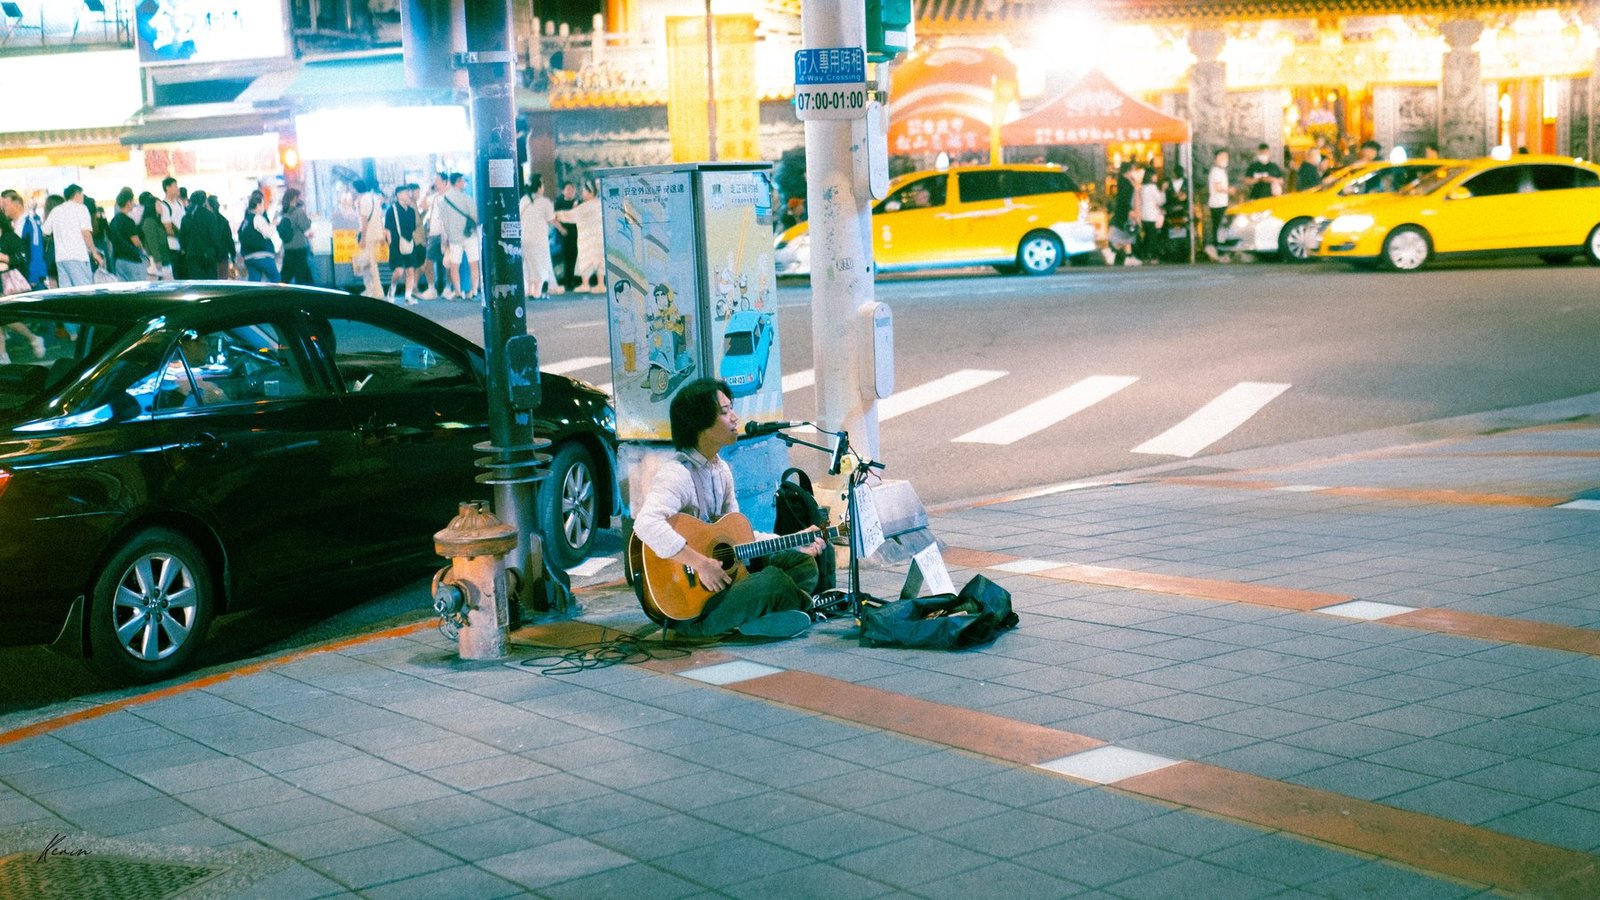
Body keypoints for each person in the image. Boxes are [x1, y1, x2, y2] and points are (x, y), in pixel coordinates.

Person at [632, 378, 824, 639]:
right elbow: (646, 523)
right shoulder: (677, 474)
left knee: (802, 563)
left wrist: (791, 542)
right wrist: (701, 564)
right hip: (694, 608)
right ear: (700, 423)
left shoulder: (720, 470)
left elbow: (738, 537)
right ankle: (783, 607)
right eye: (724, 412)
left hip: (724, 586)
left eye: (731, 409)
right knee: (772, 581)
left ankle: (761, 614)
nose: (734, 418)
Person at [42, 184, 101, 288]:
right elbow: (86, 234)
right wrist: (94, 253)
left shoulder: (56, 210)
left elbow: (45, 231)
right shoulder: (81, 209)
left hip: (61, 259)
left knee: (67, 293)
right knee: (84, 291)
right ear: (77, 194)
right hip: (78, 256)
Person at [437, 172, 481, 300]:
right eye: (462, 181)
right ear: (457, 182)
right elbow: (475, 217)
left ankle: (458, 291)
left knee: (454, 266)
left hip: (454, 238)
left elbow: (443, 222)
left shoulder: (444, 200)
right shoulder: (467, 198)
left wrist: (447, 239)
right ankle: (473, 291)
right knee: (473, 264)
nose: (464, 183)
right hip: (470, 236)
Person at [556, 181, 602, 291]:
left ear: (590, 192)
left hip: (587, 239)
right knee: (599, 260)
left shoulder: (585, 206)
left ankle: (586, 284)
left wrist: (557, 215)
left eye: (584, 191)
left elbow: (571, 215)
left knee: (585, 260)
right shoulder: (599, 203)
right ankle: (601, 284)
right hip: (598, 239)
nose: (582, 193)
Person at [519, 174, 558, 299]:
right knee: (541, 264)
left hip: (524, 238)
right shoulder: (545, 202)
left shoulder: (523, 200)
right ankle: (537, 292)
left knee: (529, 264)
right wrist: (562, 229)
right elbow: (552, 220)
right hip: (539, 239)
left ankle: (530, 290)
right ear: (539, 186)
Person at [414, 172, 449, 300]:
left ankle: (447, 288)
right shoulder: (434, 197)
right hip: (434, 234)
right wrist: (427, 192)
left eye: (438, 181)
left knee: (448, 262)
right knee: (428, 262)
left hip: (447, 233)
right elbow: (421, 205)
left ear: (445, 182)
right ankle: (431, 288)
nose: (435, 183)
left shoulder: (449, 197)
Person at [351, 179, 385, 298]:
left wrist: (363, 239)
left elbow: (363, 221)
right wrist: (382, 235)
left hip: (368, 235)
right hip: (376, 233)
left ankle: (376, 291)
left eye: (352, 188)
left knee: (370, 263)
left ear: (356, 189)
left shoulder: (361, 200)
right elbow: (379, 217)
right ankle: (371, 289)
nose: (351, 191)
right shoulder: (374, 198)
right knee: (369, 262)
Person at [237, 190, 281, 282]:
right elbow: (268, 233)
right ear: (257, 205)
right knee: (276, 279)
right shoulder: (257, 218)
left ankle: (253, 296)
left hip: (248, 256)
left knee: (254, 283)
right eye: (262, 204)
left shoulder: (246, 219)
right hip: (261, 255)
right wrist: (274, 225)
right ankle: (280, 296)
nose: (263, 207)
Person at [107, 187, 147, 282]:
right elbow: (136, 242)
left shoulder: (113, 222)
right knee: (138, 290)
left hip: (118, 261)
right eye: (132, 201)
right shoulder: (128, 221)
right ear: (128, 202)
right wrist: (143, 251)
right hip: (132, 260)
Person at [278, 188, 314, 285]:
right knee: (302, 275)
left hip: (288, 248)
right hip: (299, 248)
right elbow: (306, 227)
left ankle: (280, 294)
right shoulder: (299, 212)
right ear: (294, 198)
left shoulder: (284, 212)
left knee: (286, 275)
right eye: (299, 197)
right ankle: (305, 295)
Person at [553, 180, 579, 290]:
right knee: (566, 258)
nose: (570, 191)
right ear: (563, 191)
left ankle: (573, 280)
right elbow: (553, 218)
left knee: (574, 257)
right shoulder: (559, 203)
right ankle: (567, 282)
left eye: (572, 189)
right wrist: (561, 229)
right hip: (563, 234)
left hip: (575, 233)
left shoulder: (577, 203)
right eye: (568, 189)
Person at [1205, 149, 1230, 262]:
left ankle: (1219, 249)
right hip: (1217, 204)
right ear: (1217, 157)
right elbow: (1218, 188)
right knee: (1219, 228)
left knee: (1219, 228)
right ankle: (1218, 250)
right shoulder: (1216, 171)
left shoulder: (1221, 170)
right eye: (1224, 157)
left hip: (1221, 203)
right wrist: (1230, 190)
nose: (1226, 160)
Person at [158, 176, 186, 278]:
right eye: (174, 186)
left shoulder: (179, 203)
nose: (177, 188)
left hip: (183, 245)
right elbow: (168, 229)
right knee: (178, 275)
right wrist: (181, 235)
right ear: (167, 188)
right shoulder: (164, 205)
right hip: (173, 246)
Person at [139, 192, 171, 280]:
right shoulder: (149, 222)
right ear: (152, 206)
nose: (161, 207)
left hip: (162, 258)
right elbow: (152, 242)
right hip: (155, 261)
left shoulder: (156, 221)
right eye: (158, 205)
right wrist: (158, 259)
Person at [1136, 169, 1165, 264]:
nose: (1156, 177)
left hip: (1144, 215)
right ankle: (1152, 256)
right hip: (1153, 215)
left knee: (1147, 236)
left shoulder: (1142, 187)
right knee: (1153, 237)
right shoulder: (1153, 187)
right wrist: (1163, 190)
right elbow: (1160, 200)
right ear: (1150, 176)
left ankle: (1145, 256)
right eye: (1154, 175)